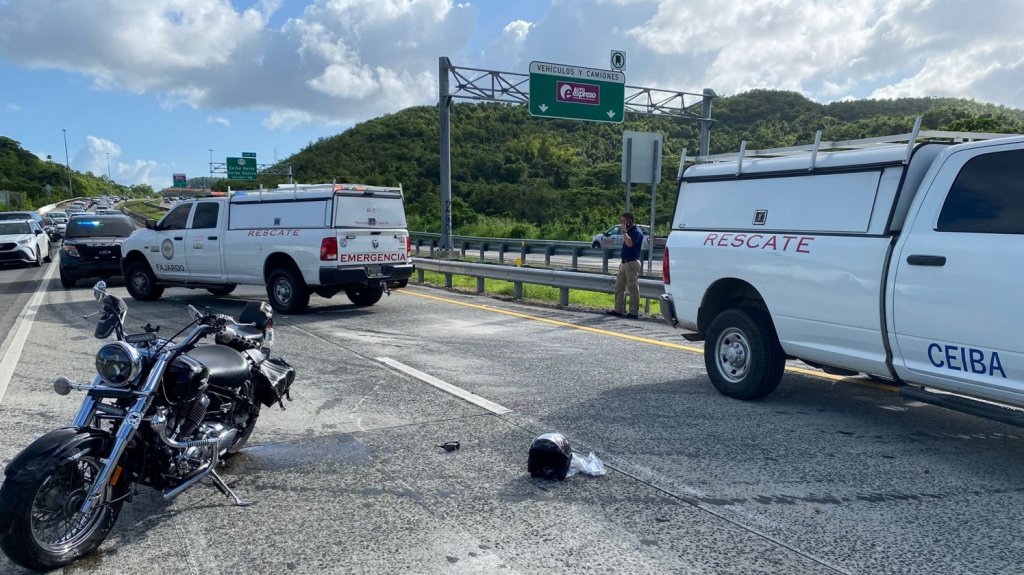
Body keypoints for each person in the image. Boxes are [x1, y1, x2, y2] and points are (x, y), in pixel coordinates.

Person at [606, 212, 644, 319]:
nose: (622, 223)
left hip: (632, 263)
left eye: (624, 221)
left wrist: (624, 231)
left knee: (632, 288)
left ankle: (633, 312)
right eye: (621, 220)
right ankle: (618, 309)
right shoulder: (629, 231)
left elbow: (629, 243)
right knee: (619, 287)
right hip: (624, 263)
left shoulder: (636, 232)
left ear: (630, 221)